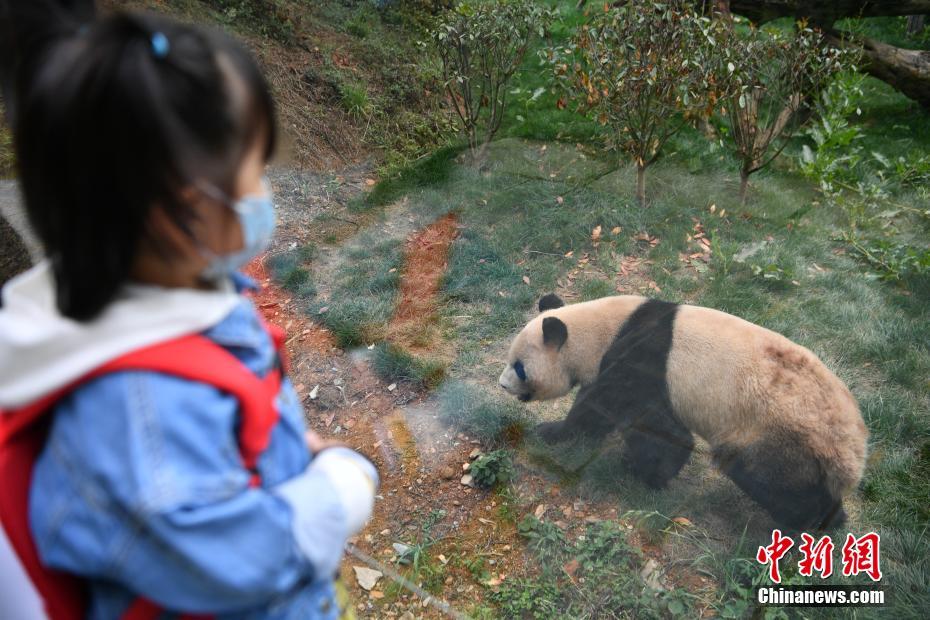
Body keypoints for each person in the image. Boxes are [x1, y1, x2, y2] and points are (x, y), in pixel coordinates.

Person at [0, 2, 378, 618]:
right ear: (178, 216)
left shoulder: (182, 295)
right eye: (255, 173)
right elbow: (241, 561)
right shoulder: (137, 403)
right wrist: (339, 490)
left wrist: (285, 451)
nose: (266, 194)